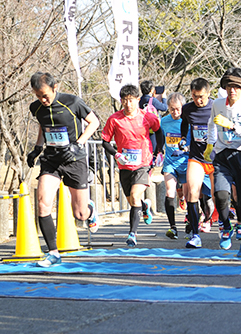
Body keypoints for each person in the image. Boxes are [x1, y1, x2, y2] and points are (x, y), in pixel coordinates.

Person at [27, 72, 100, 267]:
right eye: (37, 96)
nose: (42, 100)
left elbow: (94, 122)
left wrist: (79, 143)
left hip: (74, 159)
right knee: (43, 203)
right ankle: (53, 253)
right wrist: (36, 149)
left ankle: (90, 209)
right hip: (51, 160)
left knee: (80, 215)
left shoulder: (73, 102)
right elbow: (44, 127)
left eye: (45, 95)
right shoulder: (36, 108)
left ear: (54, 87)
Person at [102, 84, 164, 248]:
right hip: (124, 166)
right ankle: (145, 206)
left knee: (135, 196)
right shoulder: (114, 119)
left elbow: (159, 131)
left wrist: (157, 152)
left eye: (131, 100)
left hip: (143, 163)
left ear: (137, 99)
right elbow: (105, 142)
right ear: (121, 101)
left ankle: (132, 234)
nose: (128, 104)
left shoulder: (147, 117)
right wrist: (117, 155)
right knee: (132, 201)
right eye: (124, 100)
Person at [206, 67, 241, 258]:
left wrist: (233, 126)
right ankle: (226, 226)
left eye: (236, 86)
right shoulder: (217, 104)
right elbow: (211, 124)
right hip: (223, 156)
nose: (232, 90)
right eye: (229, 86)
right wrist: (210, 145)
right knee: (220, 194)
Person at [179, 78, 214, 248]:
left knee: (219, 196)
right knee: (192, 193)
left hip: (215, 158)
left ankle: (225, 227)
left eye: (201, 96)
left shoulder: (216, 107)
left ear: (208, 93)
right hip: (196, 157)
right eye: (194, 96)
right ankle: (195, 234)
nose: (198, 101)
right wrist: (183, 140)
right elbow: (184, 124)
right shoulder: (187, 109)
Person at [159, 92, 191, 240]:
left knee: (188, 194)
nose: (175, 112)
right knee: (169, 191)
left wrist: (186, 149)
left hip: (186, 163)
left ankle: (190, 220)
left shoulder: (189, 121)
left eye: (178, 109)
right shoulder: (164, 122)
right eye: (172, 109)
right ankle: (172, 227)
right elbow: (160, 138)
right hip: (170, 162)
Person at [139, 80, 167, 152]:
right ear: (151, 90)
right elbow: (164, 107)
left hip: (143, 127)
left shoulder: (140, 100)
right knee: (154, 149)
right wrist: (164, 98)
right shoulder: (152, 100)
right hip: (153, 128)